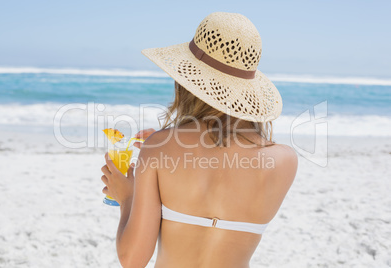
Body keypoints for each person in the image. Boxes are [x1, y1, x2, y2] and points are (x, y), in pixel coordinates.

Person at [101, 12, 298, 268]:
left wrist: (127, 197)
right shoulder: (285, 160)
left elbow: (133, 259)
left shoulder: (160, 148)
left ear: (187, 80)